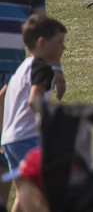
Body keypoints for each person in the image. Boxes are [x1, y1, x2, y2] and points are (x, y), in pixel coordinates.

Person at [1, 15, 66, 180]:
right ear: (42, 42)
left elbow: (2, 96)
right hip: (28, 139)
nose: (63, 47)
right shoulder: (43, 68)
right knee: (45, 185)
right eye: (59, 42)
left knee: (24, 190)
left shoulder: (23, 67)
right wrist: (52, 120)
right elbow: (34, 100)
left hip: (10, 140)